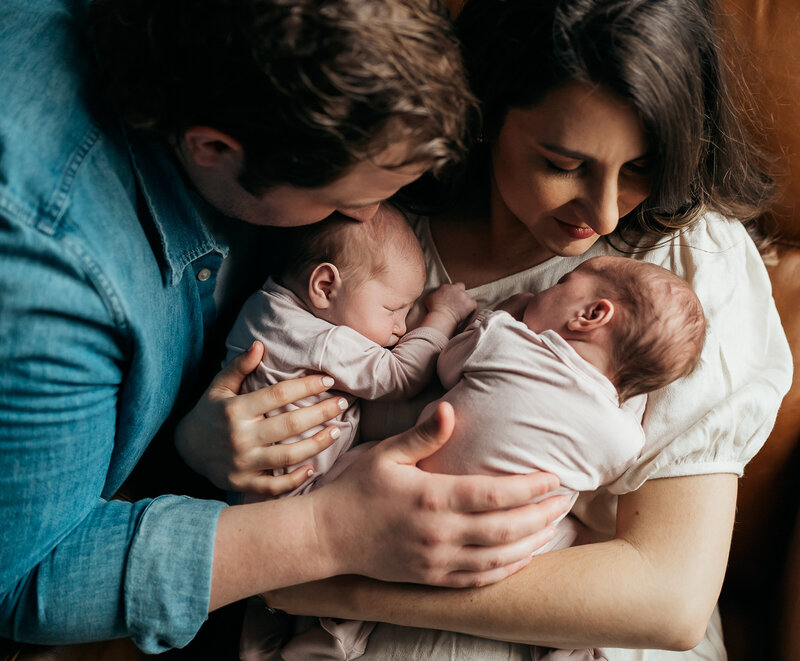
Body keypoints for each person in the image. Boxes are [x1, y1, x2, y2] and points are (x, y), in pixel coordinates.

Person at [0, 0, 570, 654]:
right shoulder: (46, 265)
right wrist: (332, 530)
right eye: (341, 201)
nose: (367, 219)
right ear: (213, 148)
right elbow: (23, 579)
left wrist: (195, 441)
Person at [258, 0, 793, 659]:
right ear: (485, 112)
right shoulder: (372, 228)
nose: (600, 213)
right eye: (563, 163)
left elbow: (669, 597)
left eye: (641, 167)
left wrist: (325, 577)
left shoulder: (690, 267)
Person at [275, 255, 707, 661]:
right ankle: (566, 648)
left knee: (358, 464)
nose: (543, 292)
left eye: (561, 284)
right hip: (502, 546)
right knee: (567, 533)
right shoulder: (623, 436)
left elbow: (447, 365)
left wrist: (507, 311)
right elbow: (607, 466)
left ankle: (335, 628)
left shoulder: (505, 338)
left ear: (591, 314)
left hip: (406, 495)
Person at [225, 205, 476, 499]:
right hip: (303, 492)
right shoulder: (322, 340)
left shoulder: (261, 309)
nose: (402, 328)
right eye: (393, 310)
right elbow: (401, 375)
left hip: (247, 490)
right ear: (325, 286)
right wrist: (444, 314)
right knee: (396, 458)